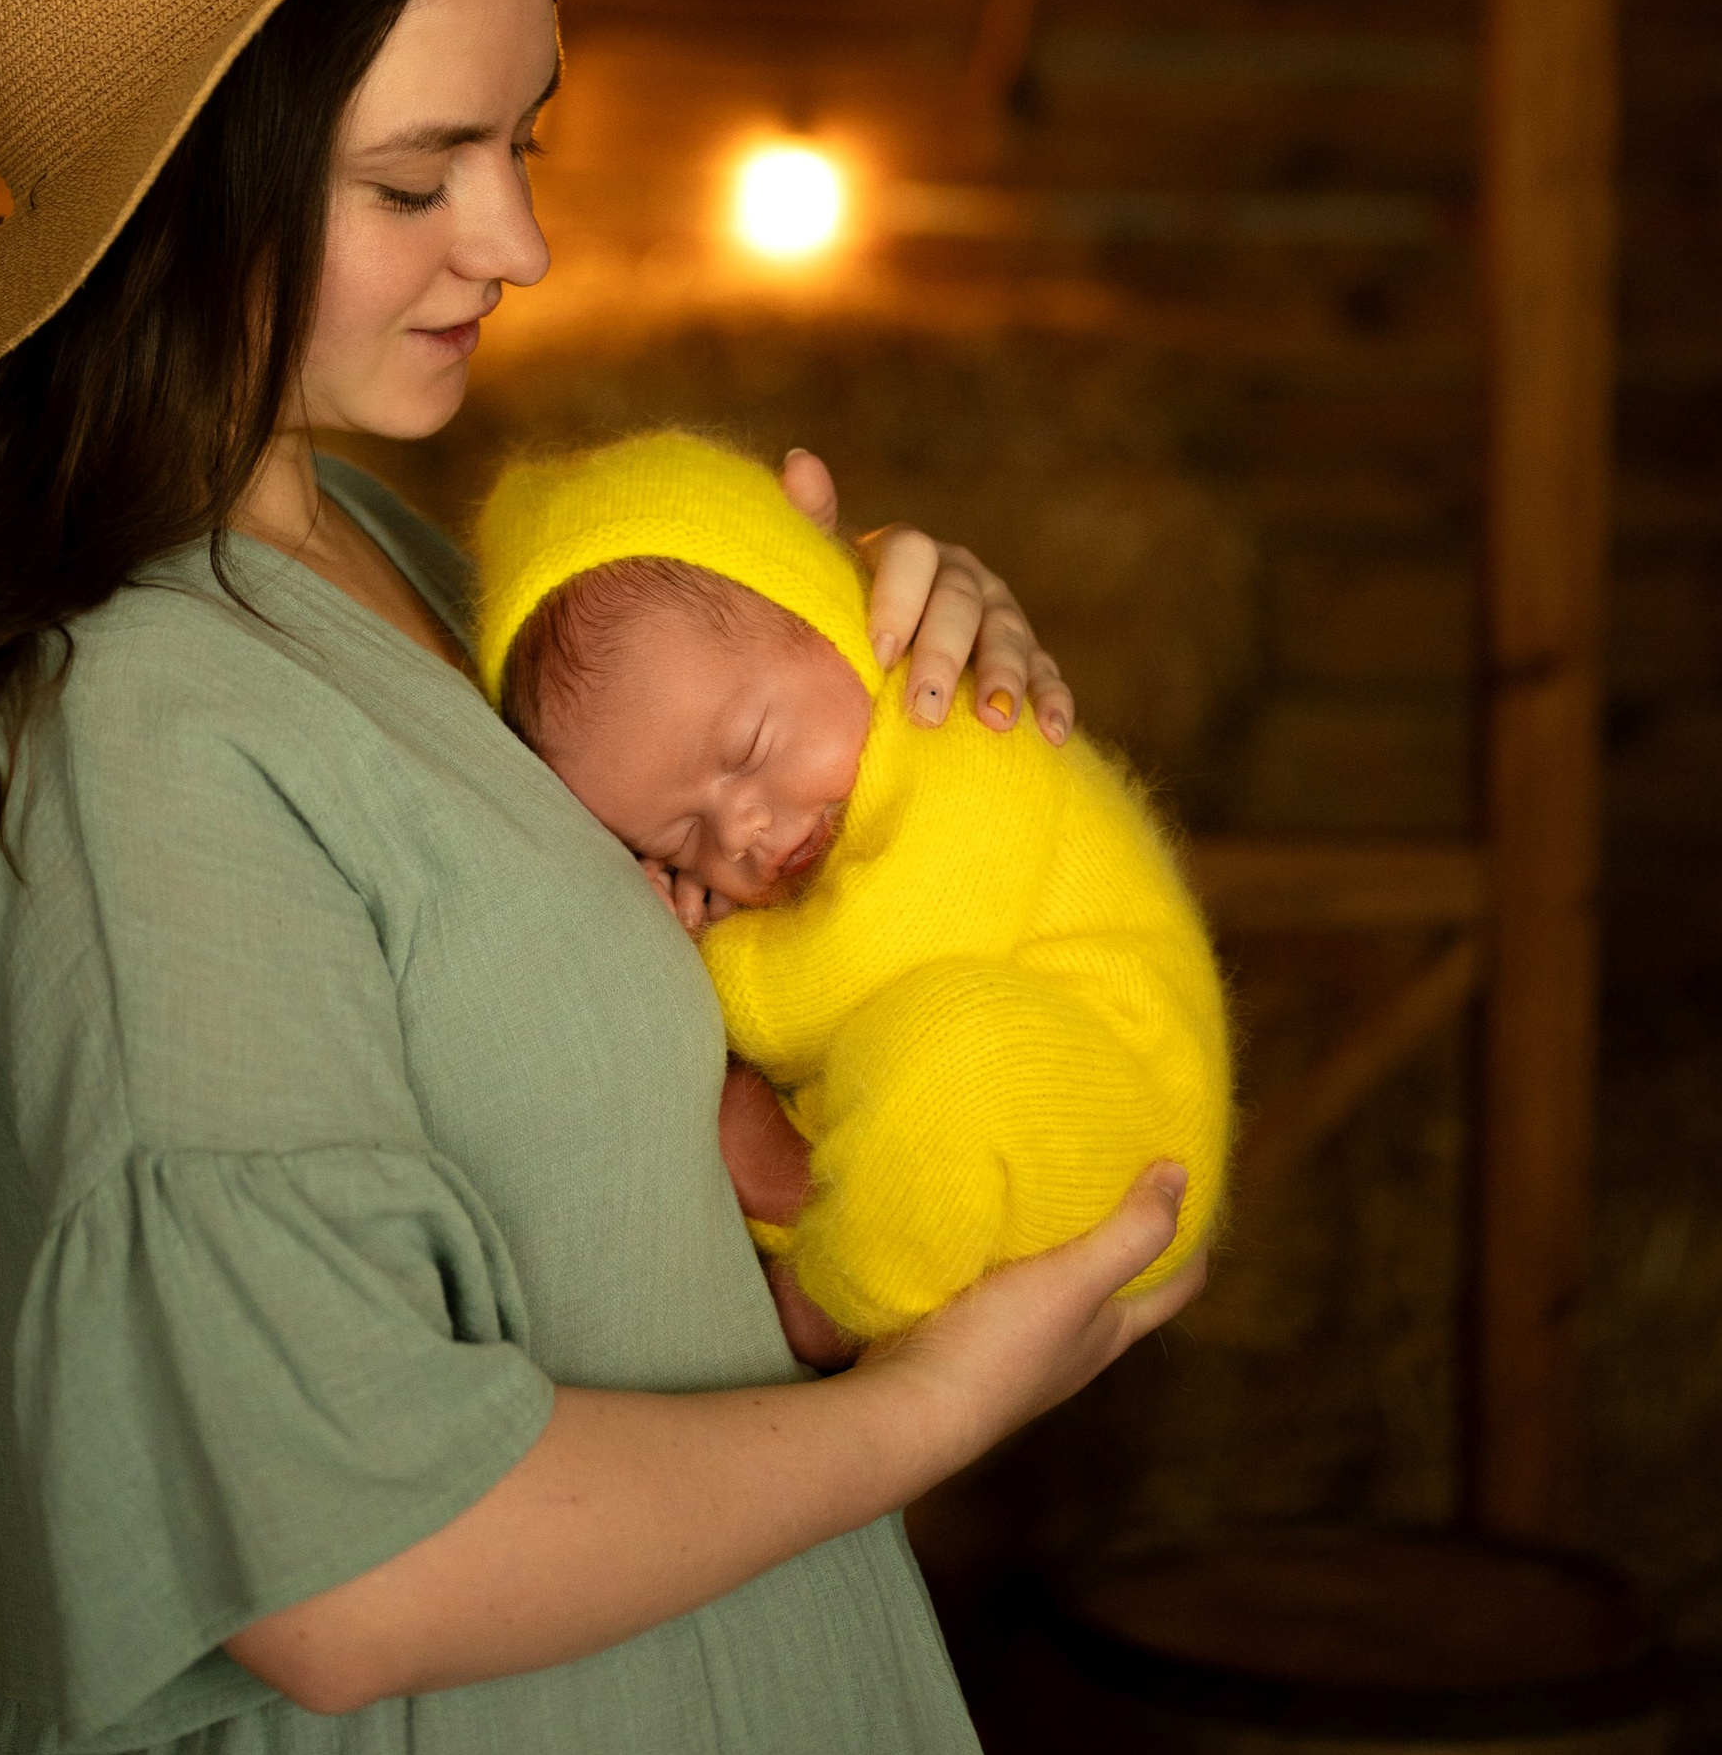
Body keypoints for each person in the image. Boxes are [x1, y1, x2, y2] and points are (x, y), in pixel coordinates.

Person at [0, 0, 1204, 1755]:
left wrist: (907, 750)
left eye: (524, 136)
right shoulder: (134, 727)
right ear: (172, 202)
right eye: (413, 172)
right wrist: (932, 1413)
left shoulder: (420, 579)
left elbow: (680, 1137)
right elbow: (340, 1567)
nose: (520, 240)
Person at [475, 429, 1232, 1369]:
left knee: (953, 1061)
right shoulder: (819, 809)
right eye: (676, 837)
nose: (741, 830)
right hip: (967, 1130)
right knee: (921, 1075)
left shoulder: (955, 727)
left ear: (835, 617)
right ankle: (833, 1212)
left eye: (747, 746)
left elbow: (866, 967)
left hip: (1118, 1097)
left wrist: (713, 961)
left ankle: (829, 1286)